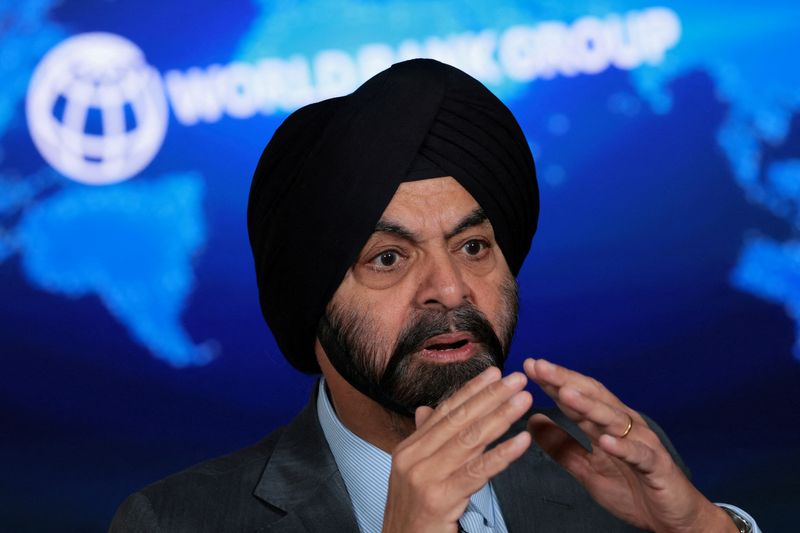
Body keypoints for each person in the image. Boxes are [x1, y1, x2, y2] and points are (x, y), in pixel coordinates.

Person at [110, 59, 759, 532]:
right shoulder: (174, 521)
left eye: (474, 246)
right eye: (388, 257)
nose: (449, 288)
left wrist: (701, 526)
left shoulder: (611, 479)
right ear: (311, 299)